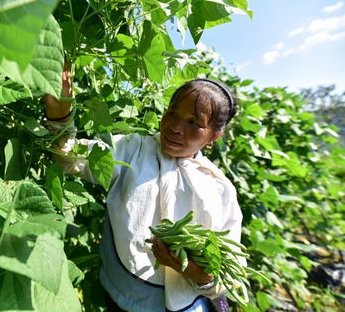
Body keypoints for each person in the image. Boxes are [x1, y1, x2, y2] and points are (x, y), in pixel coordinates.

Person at [43, 64, 243, 312]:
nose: (175, 127)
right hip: (120, 292)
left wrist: (194, 271)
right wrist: (60, 115)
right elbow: (71, 158)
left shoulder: (219, 189)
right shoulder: (134, 148)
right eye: (173, 113)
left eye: (194, 122)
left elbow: (227, 273)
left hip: (187, 305)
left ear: (214, 136)